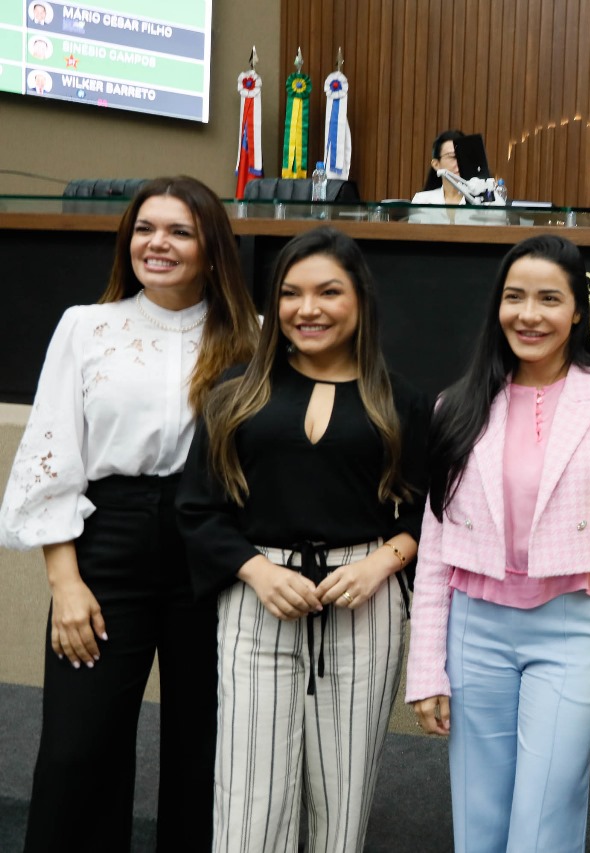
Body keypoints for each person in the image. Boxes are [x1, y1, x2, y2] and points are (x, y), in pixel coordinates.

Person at [0, 176, 259, 852]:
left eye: (179, 230)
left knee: (206, 746)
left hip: (213, 547)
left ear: (212, 247)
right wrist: (65, 583)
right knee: (77, 748)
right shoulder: (87, 326)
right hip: (108, 542)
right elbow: (51, 455)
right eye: (146, 228)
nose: (158, 243)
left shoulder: (255, 338)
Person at [176, 226, 429, 853]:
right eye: (291, 293)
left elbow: (432, 514)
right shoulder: (236, 394)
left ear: (360, 301)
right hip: (256, 601)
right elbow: (196, 509)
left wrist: (382, 563)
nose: (307, 309)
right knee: (249, 794)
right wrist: (257, 571)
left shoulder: (402, 402)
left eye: (328, 292)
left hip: (363, 605)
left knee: (342, 796)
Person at [407, 234, 590, 852]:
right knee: (478, 808)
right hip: (475, 627)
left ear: (578, 310)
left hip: (573, 627)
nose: (530, 314)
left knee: (546, 811)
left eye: (550, 299)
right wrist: (427, 668)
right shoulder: (456, 406)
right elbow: (435, 547)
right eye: (514, 297)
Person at [412, 129, 467, 207]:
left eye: (462, 156)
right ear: (436, 164)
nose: (459, 162)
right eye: (452, 156)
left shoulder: (481, 203)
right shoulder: (422, 200)